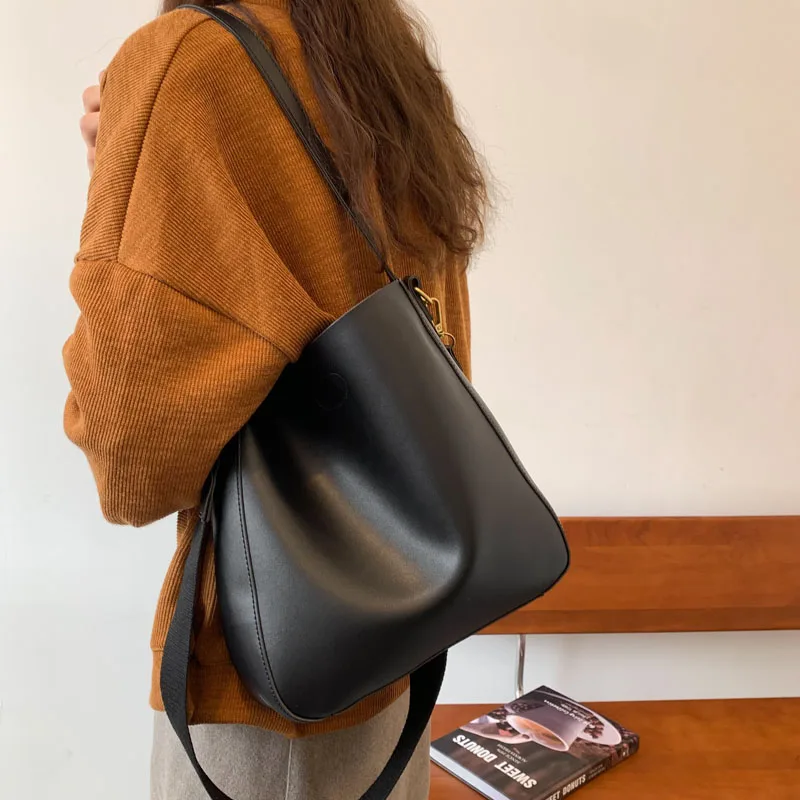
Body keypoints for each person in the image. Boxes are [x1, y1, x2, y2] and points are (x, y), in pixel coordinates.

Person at [69, 1, 488, 798]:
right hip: (396, 664)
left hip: (267, 691)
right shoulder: (383, 61)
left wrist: (122, 198)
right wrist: (135, 174)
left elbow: (130, 459)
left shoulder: (189, 60)